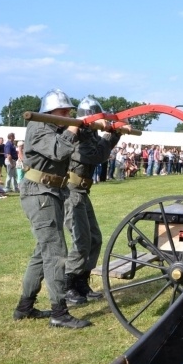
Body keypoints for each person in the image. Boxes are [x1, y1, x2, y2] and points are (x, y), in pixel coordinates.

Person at [12, 88, 90, 329]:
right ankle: (59, 312)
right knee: (55, 252)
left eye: (69, 110)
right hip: (39, 193)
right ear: (49, 111)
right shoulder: (38, 128)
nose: (68, 113)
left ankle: (24, 307)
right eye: (63, 110)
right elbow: (59, 151)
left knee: (41, 252)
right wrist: (73, 128)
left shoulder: (57, 128)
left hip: (53, 192)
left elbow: (86, 149)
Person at [64, 97, 125, 305]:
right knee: (81, 240)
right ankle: (68, 285)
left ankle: (81, 281)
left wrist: (115, 132)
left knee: (94, 238)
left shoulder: (90, 133)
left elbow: (101, 148)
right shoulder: (78, 132)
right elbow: (95, 155)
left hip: (82, 191)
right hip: (70, 192)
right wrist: (111, 135)